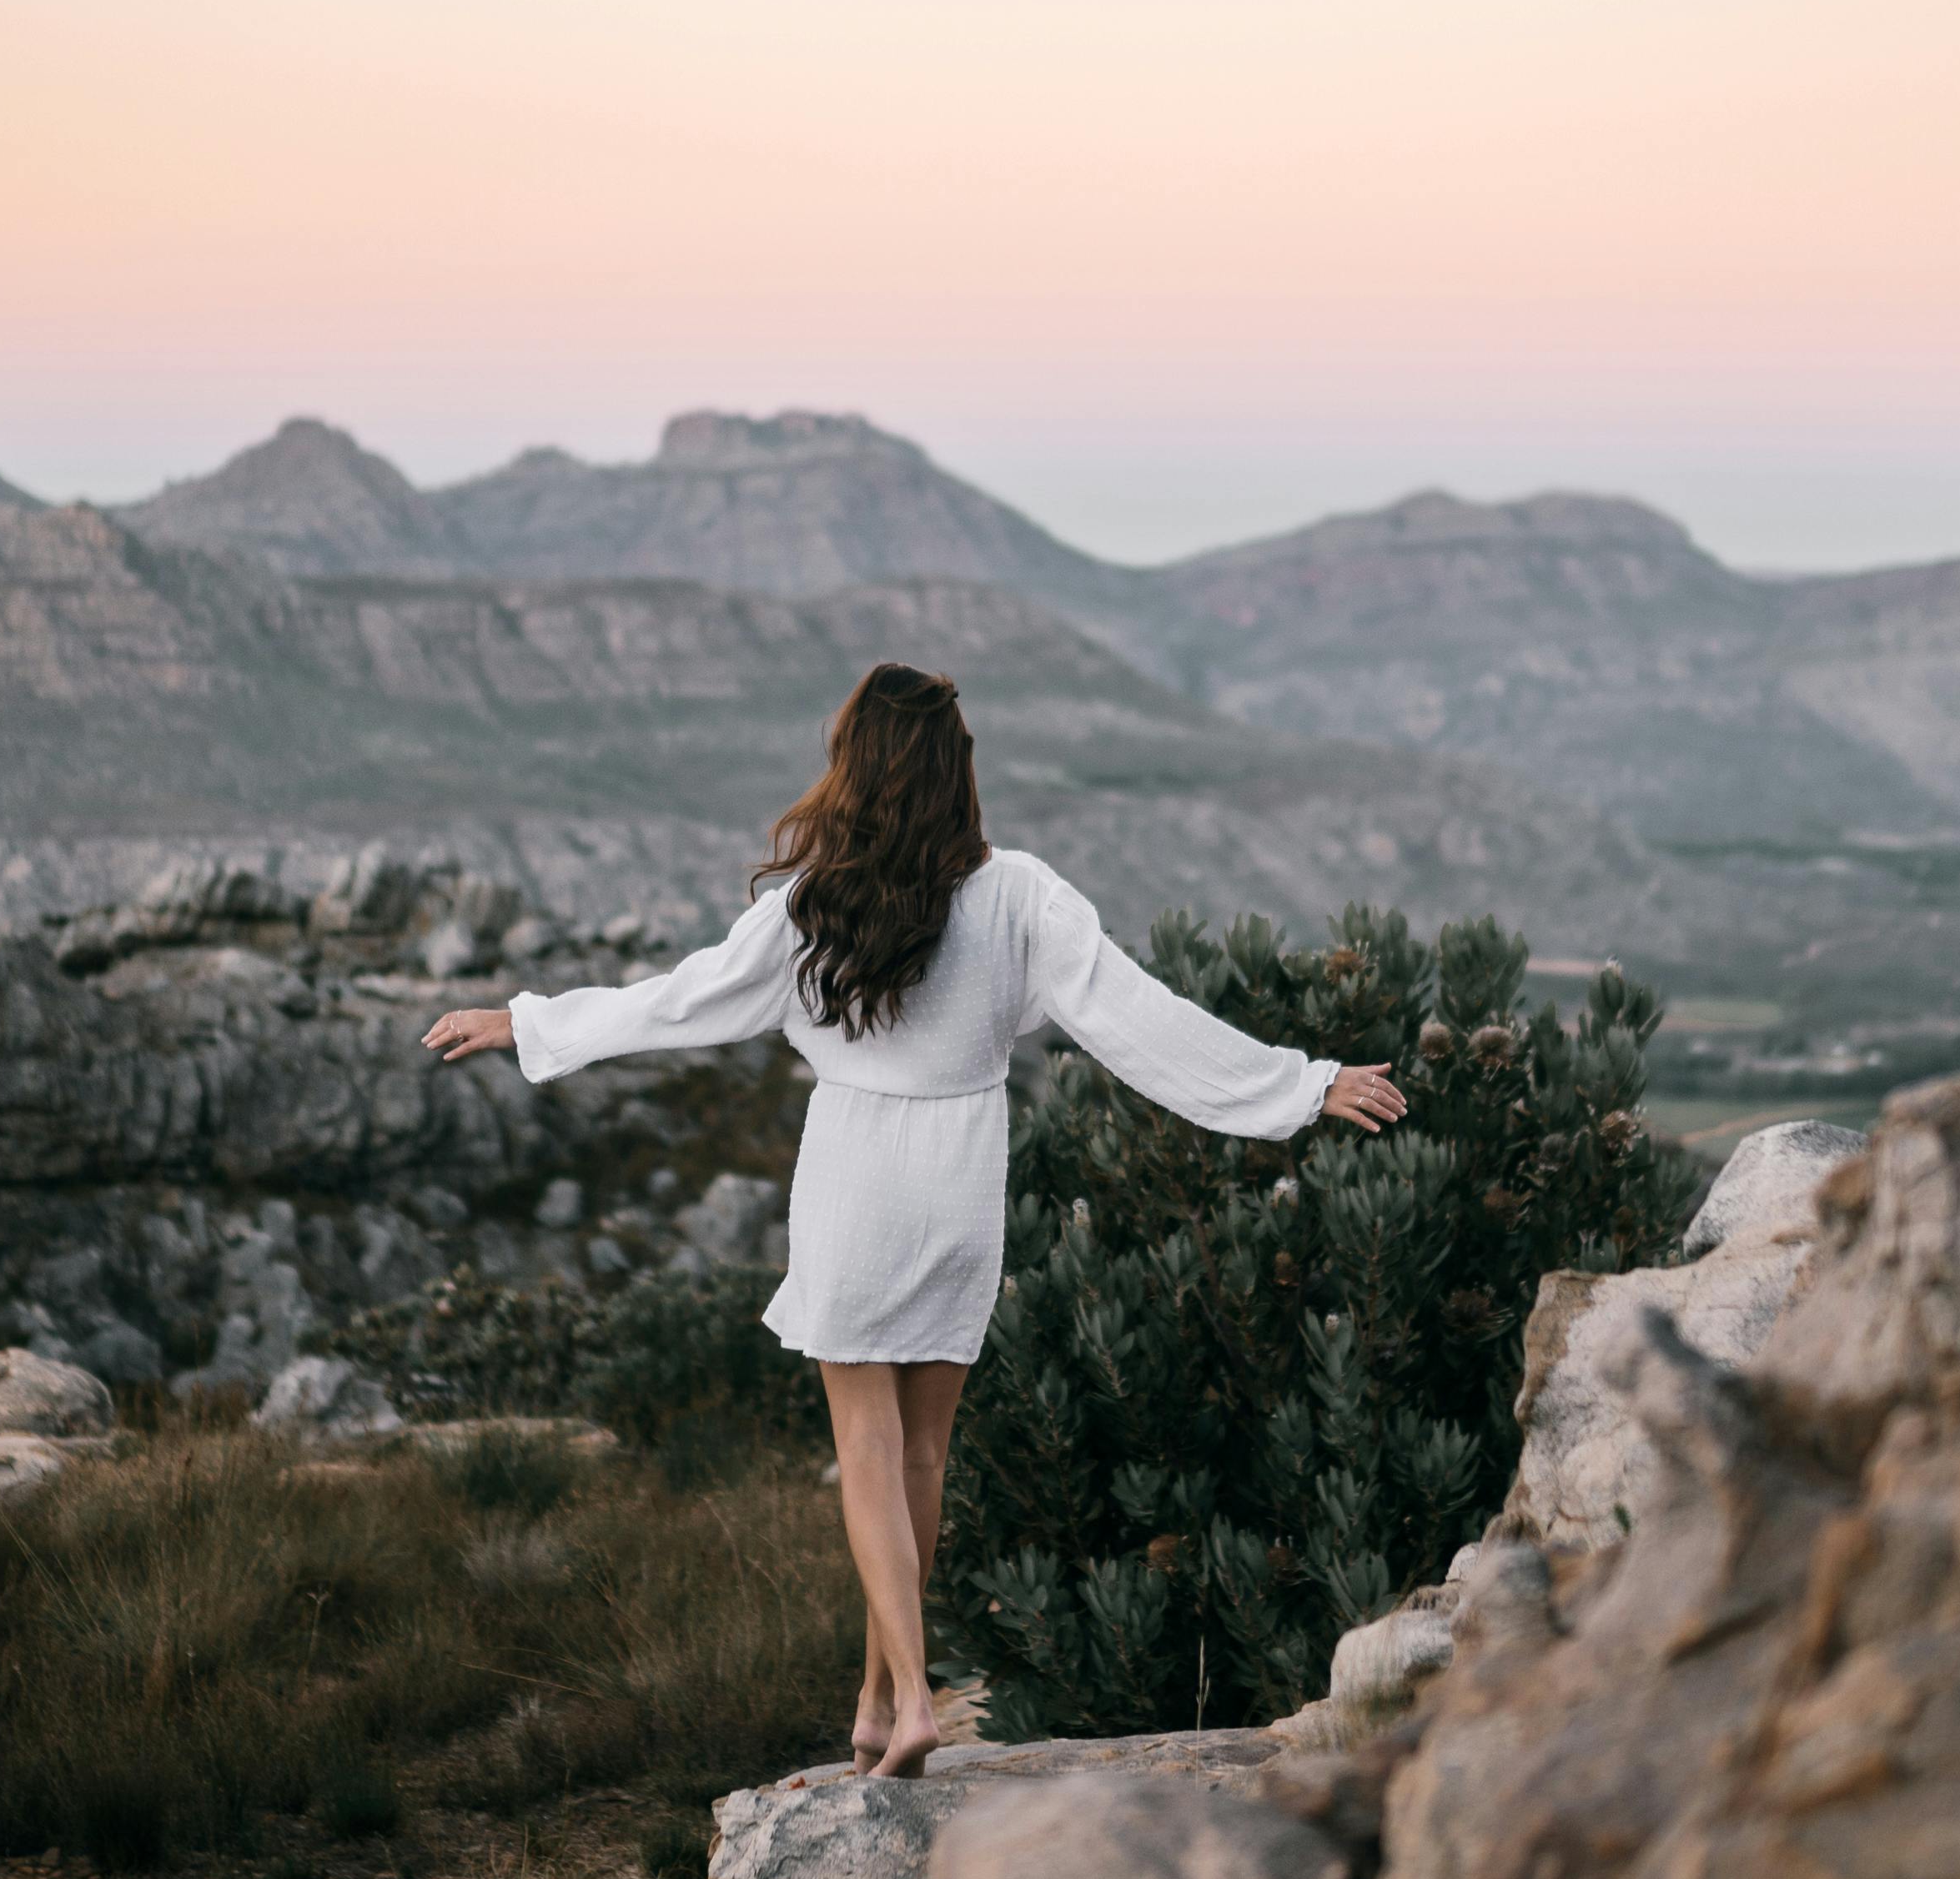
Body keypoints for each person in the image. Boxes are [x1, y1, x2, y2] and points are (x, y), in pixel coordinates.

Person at [425, 662, 1408, 1778]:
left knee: (867, 1450)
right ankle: (877, 1697)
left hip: (856, 1171)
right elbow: (1142, 1018)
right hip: (960, 1176)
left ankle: (912, 1695)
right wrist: (1302, 1084)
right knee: (923, 1455)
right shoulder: (1021, 894)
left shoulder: (812, 905)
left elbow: (679, 999)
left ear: (853, 767)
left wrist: (529, 1022)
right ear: (957, 771)